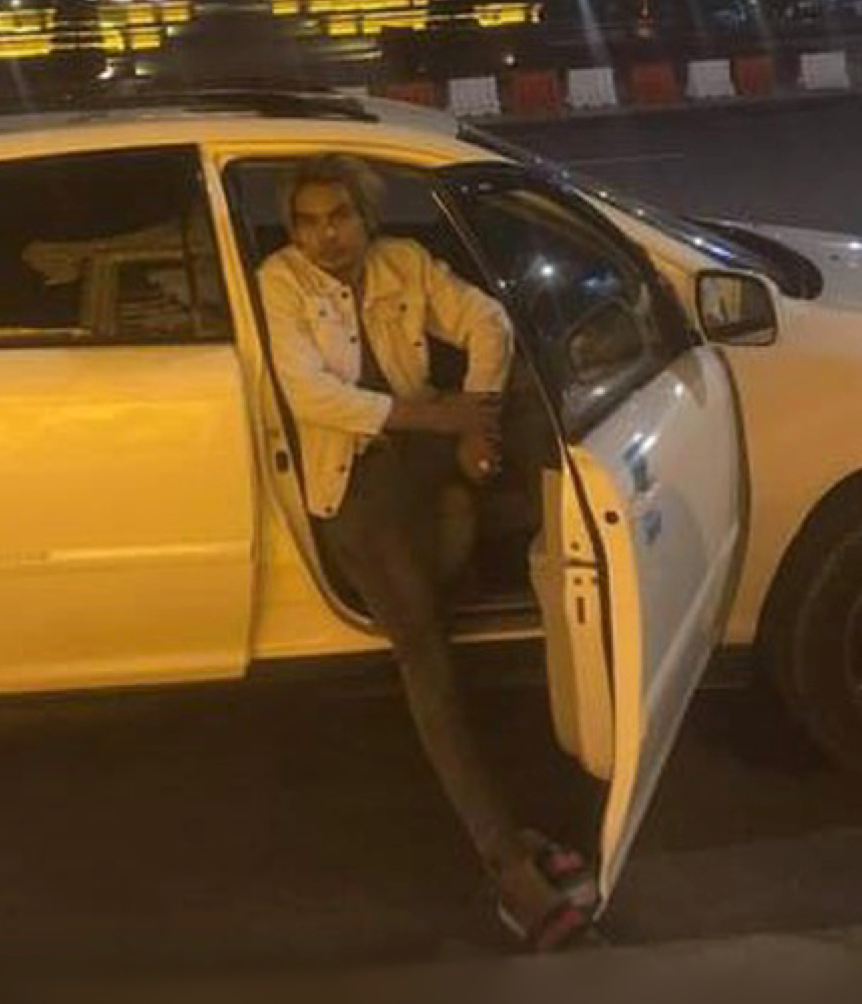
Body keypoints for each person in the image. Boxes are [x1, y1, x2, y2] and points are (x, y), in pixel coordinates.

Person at [257, 154, 599, 951]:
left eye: (339, 216)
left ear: (364, 217)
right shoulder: (282, 282)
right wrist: (442, 421)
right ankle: (504, 859)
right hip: (355, 477)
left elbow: (490, 323)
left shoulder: (401, 262)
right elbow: (311, 394)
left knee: (529, 411)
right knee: (426, 652)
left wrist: (478, 420)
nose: (326, 236)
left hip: (424, 451)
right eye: (308, 222)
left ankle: (554, 544)